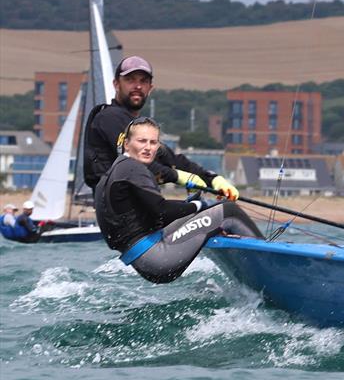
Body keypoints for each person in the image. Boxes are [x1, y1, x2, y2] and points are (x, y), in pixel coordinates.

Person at [95, 117, 263, 284]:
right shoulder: (133, 169)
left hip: (143, 260)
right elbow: (162, 211)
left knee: (208, 212)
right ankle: (267, 261)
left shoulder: (118, 167)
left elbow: (152, 214)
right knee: (229, 210)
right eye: (142, 141)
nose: (148, 147)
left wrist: (195, 205)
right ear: (126, 144)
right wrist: (199, 204)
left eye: (153, 142)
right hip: (156, 257)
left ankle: (246, 274)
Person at [83, 55, 239, 200]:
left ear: (150, 88)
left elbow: (170, 158)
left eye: (143, 81)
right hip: (119, 210)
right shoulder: (109, 117)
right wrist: (178, 176)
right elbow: (135, 164)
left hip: (143, 207)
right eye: (130, 80)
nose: (138, 86)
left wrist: (213, 179)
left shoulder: (138, 126)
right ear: (116, 84)